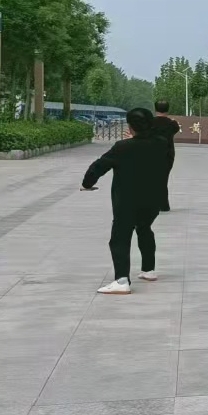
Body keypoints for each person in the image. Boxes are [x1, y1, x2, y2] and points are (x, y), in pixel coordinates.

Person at [81, 107, 170, 294]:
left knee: (120, 237)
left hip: (127, 201)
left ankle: (122, 280)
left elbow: (99, 166)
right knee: (144, 229)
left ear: (130, 127)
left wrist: (87, 184)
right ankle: (149, 270)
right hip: (153, 200)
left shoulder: (122, 147)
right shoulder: (162, 144)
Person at [151, 99, 180, 212]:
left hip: (151, 154)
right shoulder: (172, 124)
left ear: (155, 109)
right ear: (168, 109)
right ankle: (163, 205)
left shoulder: (149, 123)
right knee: (163, 179)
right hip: (167, 155)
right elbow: (176, 128)